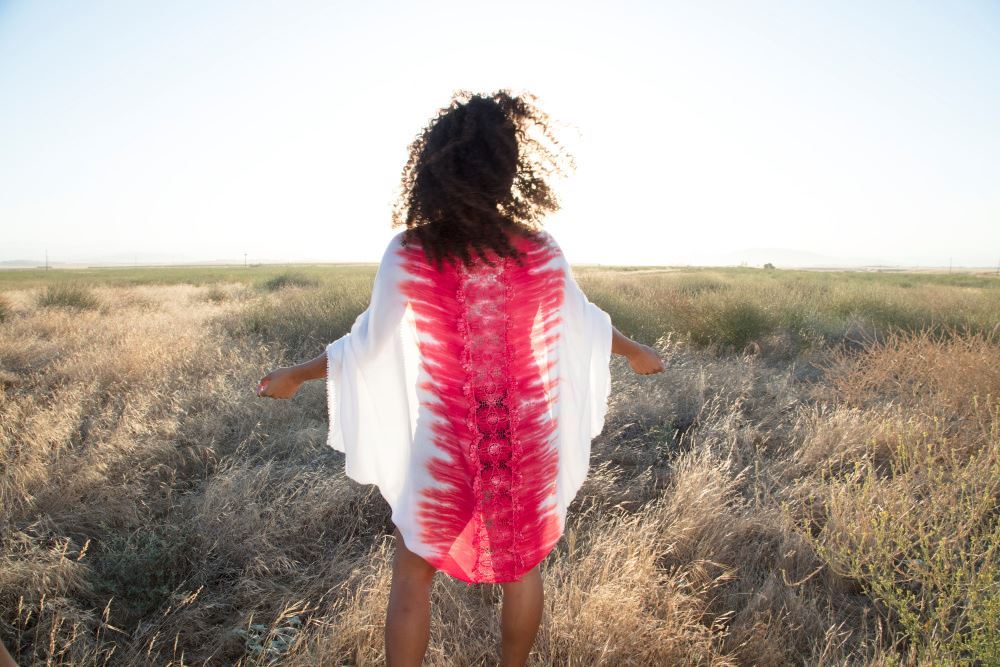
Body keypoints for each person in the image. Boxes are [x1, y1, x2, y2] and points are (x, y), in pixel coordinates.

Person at [257, 90, 664, 667]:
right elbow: (588, 325)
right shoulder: (540, 249)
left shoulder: (411, 252)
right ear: (508, 171)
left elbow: (365, 347)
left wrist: (295, 376)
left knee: (412, 572)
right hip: (526, 439)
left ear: (434, 170)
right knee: (523, 569)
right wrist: (636, 352)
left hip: (449, 443)